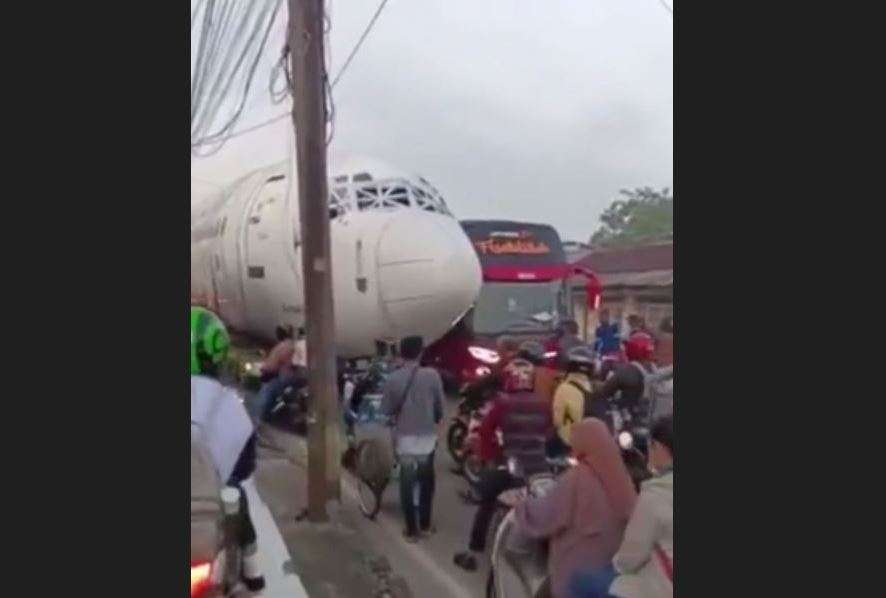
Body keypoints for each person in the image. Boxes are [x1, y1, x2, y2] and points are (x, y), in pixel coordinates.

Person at [512, 418, 637, 598]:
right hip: (608, 573)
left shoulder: (578, 477)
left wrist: (522, 507)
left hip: (577, 574)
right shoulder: (621, 476)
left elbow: (547, 514)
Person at [453, 357, 554, 571]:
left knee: (486, 502)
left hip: (510, 468)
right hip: (540, 469)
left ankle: (473, 552)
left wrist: (490, 457)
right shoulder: (543, 404)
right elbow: (548, 433)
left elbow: (486, 432)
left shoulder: (503, 403)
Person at [190, 307, 265, 592]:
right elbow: (245, 468)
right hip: (210, 524)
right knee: (238, 494)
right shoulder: (230, 405)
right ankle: (253, 569)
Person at [380, 335, 445, 543]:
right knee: (427, 481)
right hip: (427, 437)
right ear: (420, 352)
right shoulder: (432, 375)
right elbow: (440, 408)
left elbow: (387, 411)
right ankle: (425, 524)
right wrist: (433, 418)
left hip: (404, 437)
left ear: (401, 353)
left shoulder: (392, 379)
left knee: (406, 483)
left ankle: (411, 529)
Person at [607, 414, 674, 598]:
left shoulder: (655, 496)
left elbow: (630, 557)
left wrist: (615, 565)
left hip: (663, 588)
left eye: (650, 445)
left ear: (659, 447)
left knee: (583, 581)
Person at [585, 332, 668, 424]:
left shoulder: (626, 371)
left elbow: (604, 392)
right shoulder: (652, 369)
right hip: (650, 420)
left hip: (630, 422)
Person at [550, 345, 596, 457]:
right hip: (597, 450)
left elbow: (563, 426)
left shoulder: (564, 389)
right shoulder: (596, 388)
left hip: (573, 453)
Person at [254, 326, 297, 421]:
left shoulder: (282, 347)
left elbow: (272, 365)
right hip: (290, 377)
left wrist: (264, 370)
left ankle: (258, 419)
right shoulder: (292, 345)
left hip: (281, 377)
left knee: (265, 394)